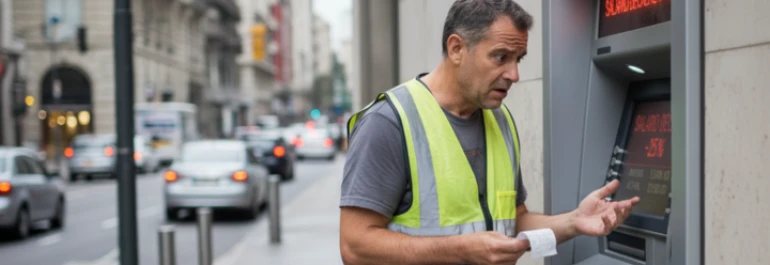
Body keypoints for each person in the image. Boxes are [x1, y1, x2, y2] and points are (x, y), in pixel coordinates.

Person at [339, 1, 640, 264]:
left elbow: (515, 220)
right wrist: (460, 250)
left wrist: (574, 221)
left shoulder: (500, 120)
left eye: (518, 59)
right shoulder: (390, 122)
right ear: (456, 48)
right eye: (500, 57)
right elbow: (355, 246)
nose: (514, 75)